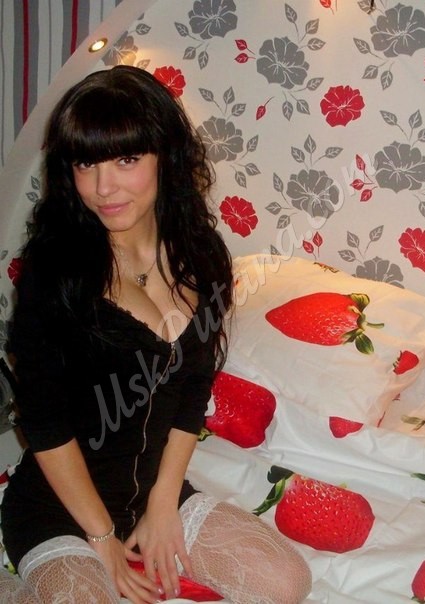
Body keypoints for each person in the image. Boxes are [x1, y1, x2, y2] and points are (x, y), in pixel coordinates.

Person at [0, 65, 312, 604]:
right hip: (59, 506)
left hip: (153, 493)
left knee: (287, 582)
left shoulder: (201, 256)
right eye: (85, 163)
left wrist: (164, 503)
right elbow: (44, 425)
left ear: (165, 156)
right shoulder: (52, 275)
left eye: (126, 159)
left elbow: (193, 389)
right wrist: (102, 538)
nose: (103, 187)